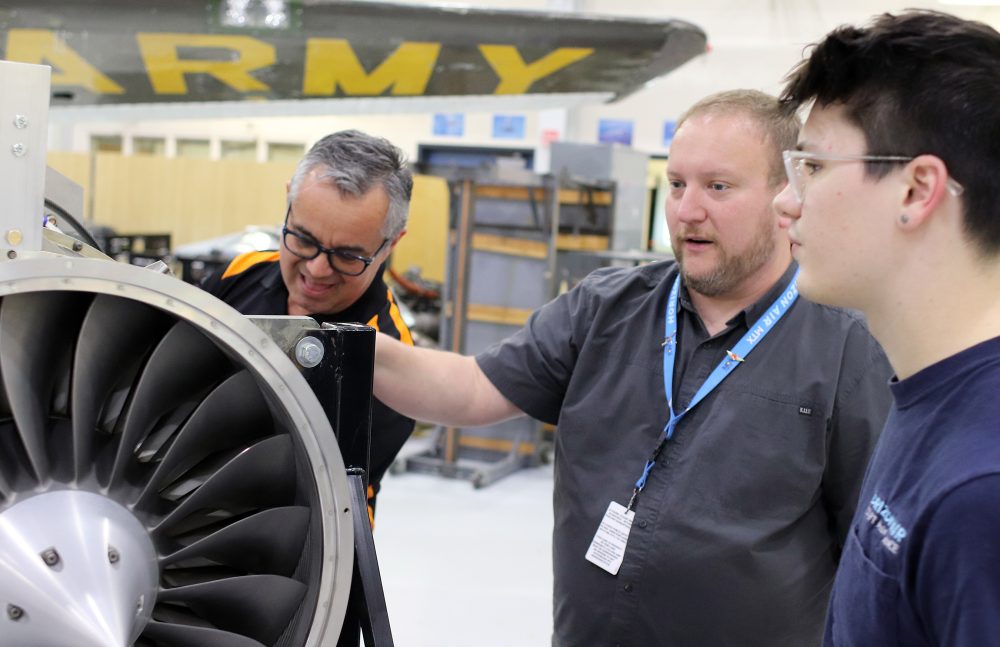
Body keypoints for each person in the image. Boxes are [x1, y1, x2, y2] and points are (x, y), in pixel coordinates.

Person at [374, 90, 892, 646]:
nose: (687, 209)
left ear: (787, 193)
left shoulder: (848, 350)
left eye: (718, 187)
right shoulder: (604, 308)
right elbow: (472, 388)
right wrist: (340, 349)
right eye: (676, 184)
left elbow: (873, 554)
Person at [773, 10, 1000, 646]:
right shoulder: (929, 389)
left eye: (813, 168)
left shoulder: (982, 490)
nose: (785, 200)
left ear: (915, 190)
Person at [201, 129, 416, 521]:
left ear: (390, 245)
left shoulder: (388, 361)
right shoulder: (238, 274)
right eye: (302, 238)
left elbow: (324, 498)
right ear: (289, 202)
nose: (316, 270)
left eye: (348, 256)